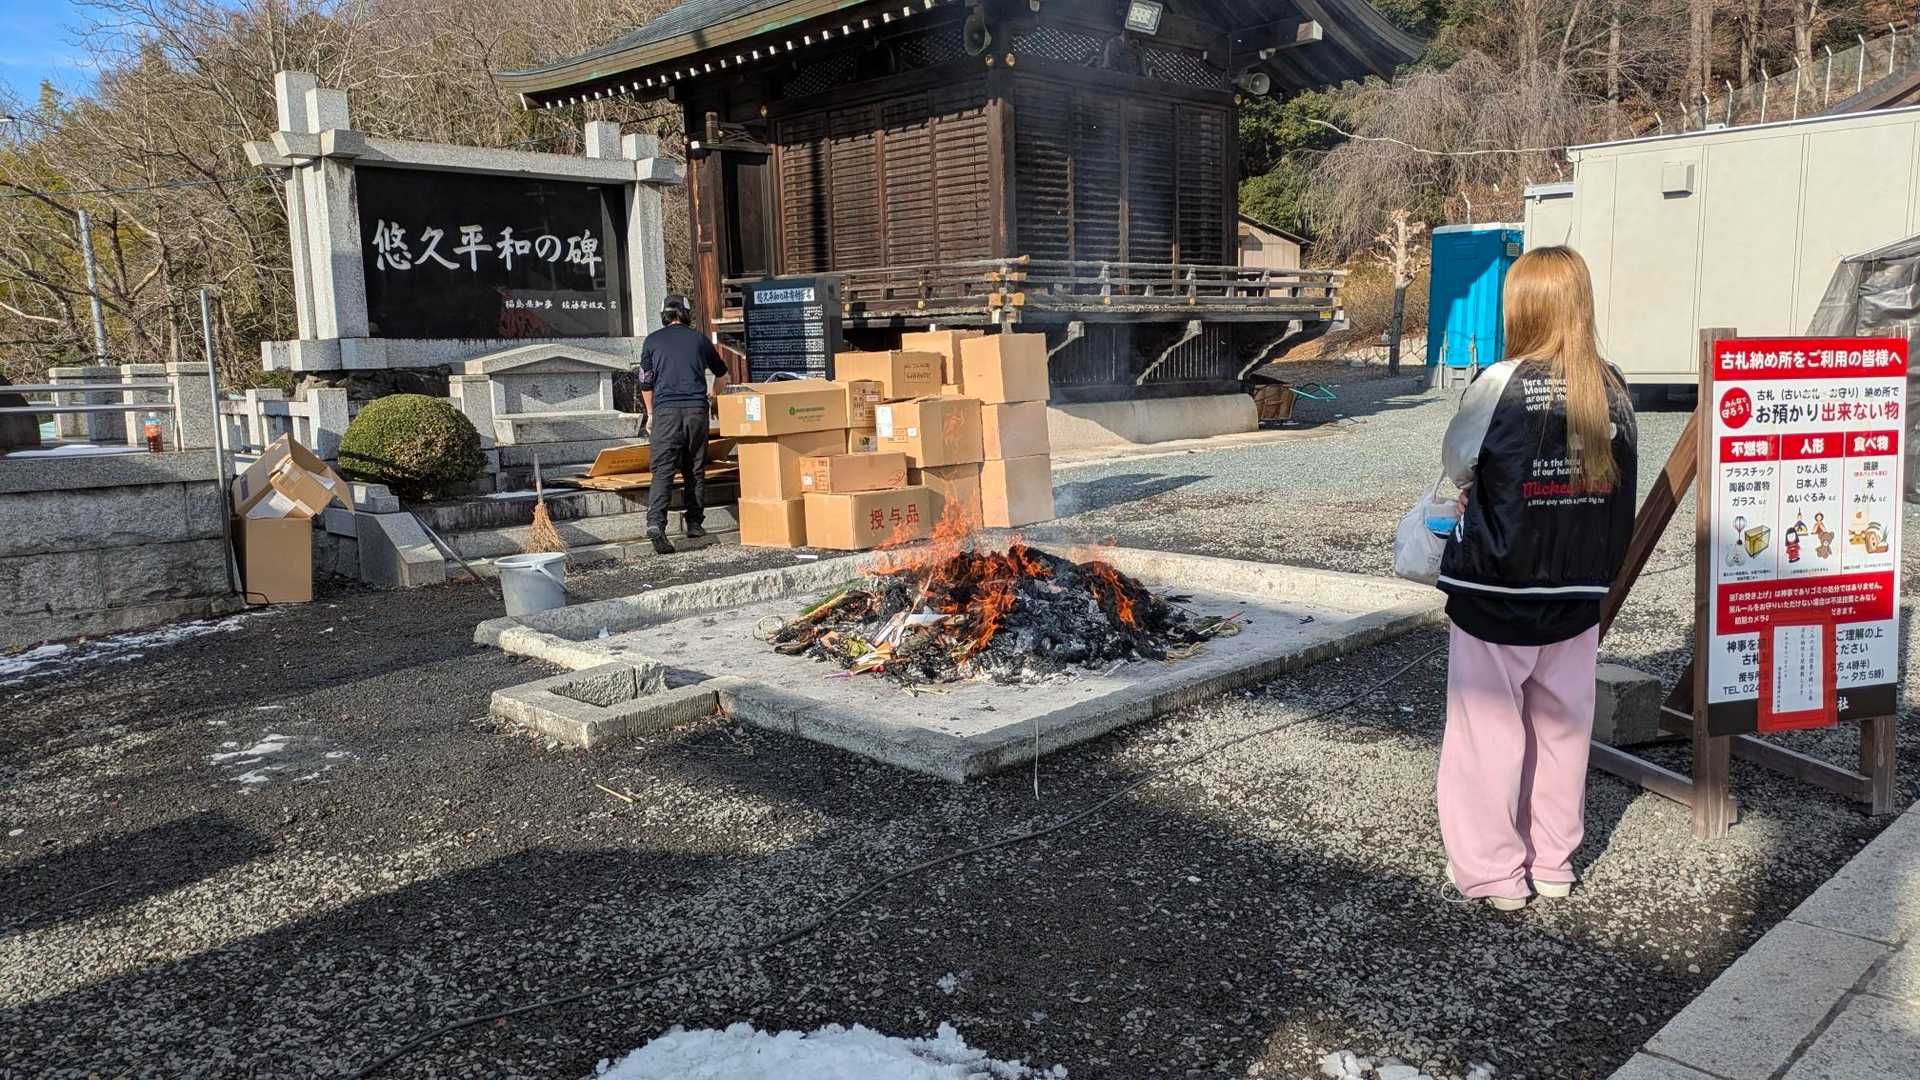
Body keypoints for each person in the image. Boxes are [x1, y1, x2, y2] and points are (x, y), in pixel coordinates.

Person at [1435, 246, 1638, 911]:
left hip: (1497, 587)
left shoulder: (1499, 382)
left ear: (1522, 306)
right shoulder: (1613, 388)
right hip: (1579, 592)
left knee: (1486, 732)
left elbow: (1459, 465)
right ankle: (1552, 862)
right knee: (1562, 728)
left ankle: (1495, 873)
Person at [638, 295, 729, 554]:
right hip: (696, 412)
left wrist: (651, 413)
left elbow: (645, 382)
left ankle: (656, 523)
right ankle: (694, 524)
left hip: (665, 413)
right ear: (686, 314)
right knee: (694, 468)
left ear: (664, 315)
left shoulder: (652, 341)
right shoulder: (699, 339)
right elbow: (723, 375)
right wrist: (712, 397)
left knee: (663, 470)